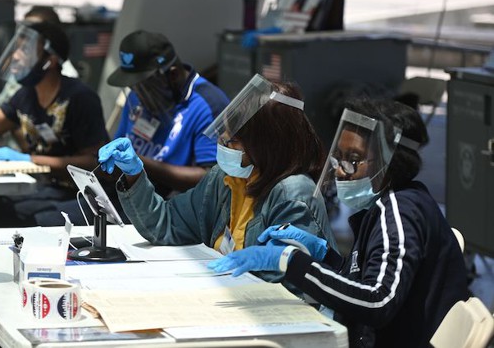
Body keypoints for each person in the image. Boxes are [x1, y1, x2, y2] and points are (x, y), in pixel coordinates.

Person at [208, 99, 470, 348]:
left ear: (389, 164)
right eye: (339, 159)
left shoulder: (400, 213)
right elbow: (366, 279)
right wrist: (326, 256)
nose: (341, 170)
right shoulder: (382, 208)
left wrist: (291, 262)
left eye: (353, 160)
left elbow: (377, 301)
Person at [100, 75, 336, 282]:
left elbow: (286, 283)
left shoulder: (293, 193)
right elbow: (165, 225)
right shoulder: (226, 179)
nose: (222, 143)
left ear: (265, 145)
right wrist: (134, 174)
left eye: (231, 140)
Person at [0, 21, 109, 227]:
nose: (16, 56)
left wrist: (30, 160)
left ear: (51, 60)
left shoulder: (80, 98)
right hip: (47, 188)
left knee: (21, 222)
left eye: (26, 50)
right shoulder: (26, 96)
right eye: (17, 48)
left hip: (83, 195)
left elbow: (95, 164)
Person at [107, 30, 229, 195]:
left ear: (173, 74)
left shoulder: (209, 103)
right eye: (132, 85)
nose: (136, 93)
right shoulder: (136, 97)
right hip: (129, 192)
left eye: (143, 86)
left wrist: (140, 165)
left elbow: (212, 178)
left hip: (172, 204)